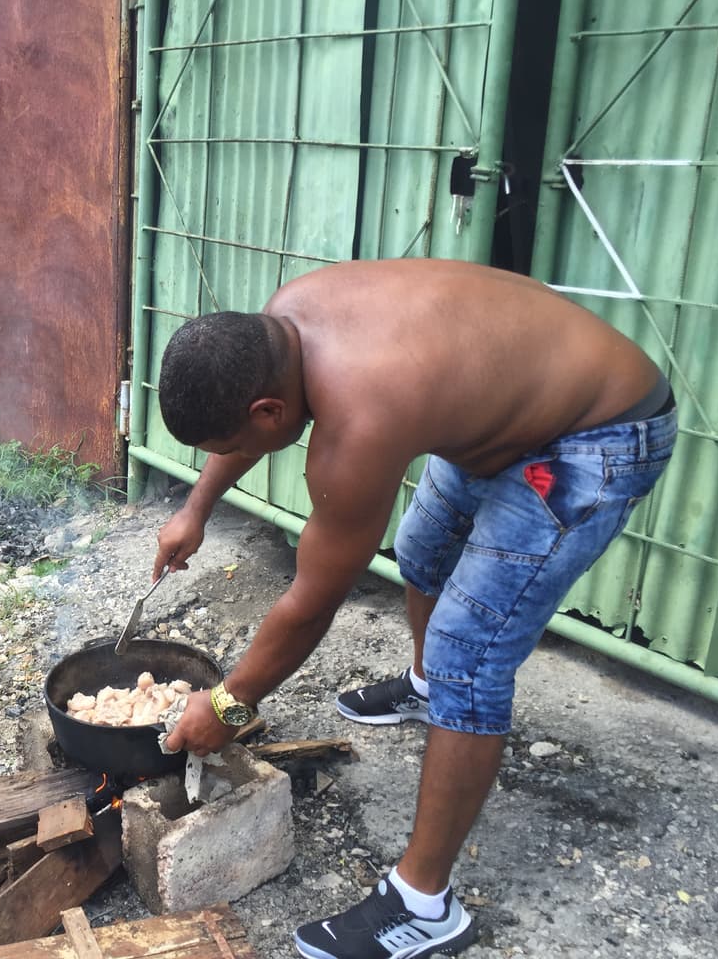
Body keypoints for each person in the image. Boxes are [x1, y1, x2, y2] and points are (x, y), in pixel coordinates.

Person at [153, 258, 676, 959]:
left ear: (268, 412)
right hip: (506, 409)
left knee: (473, 654)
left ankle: (425, 905)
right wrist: (196, 507)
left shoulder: (362, 416)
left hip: (598, 433)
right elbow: (243, 423)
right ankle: (428, 691)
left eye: (234, 446)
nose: (236, 455)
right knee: (424, 549)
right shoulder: (284, 321)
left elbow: (312, 603)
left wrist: (227, 704)